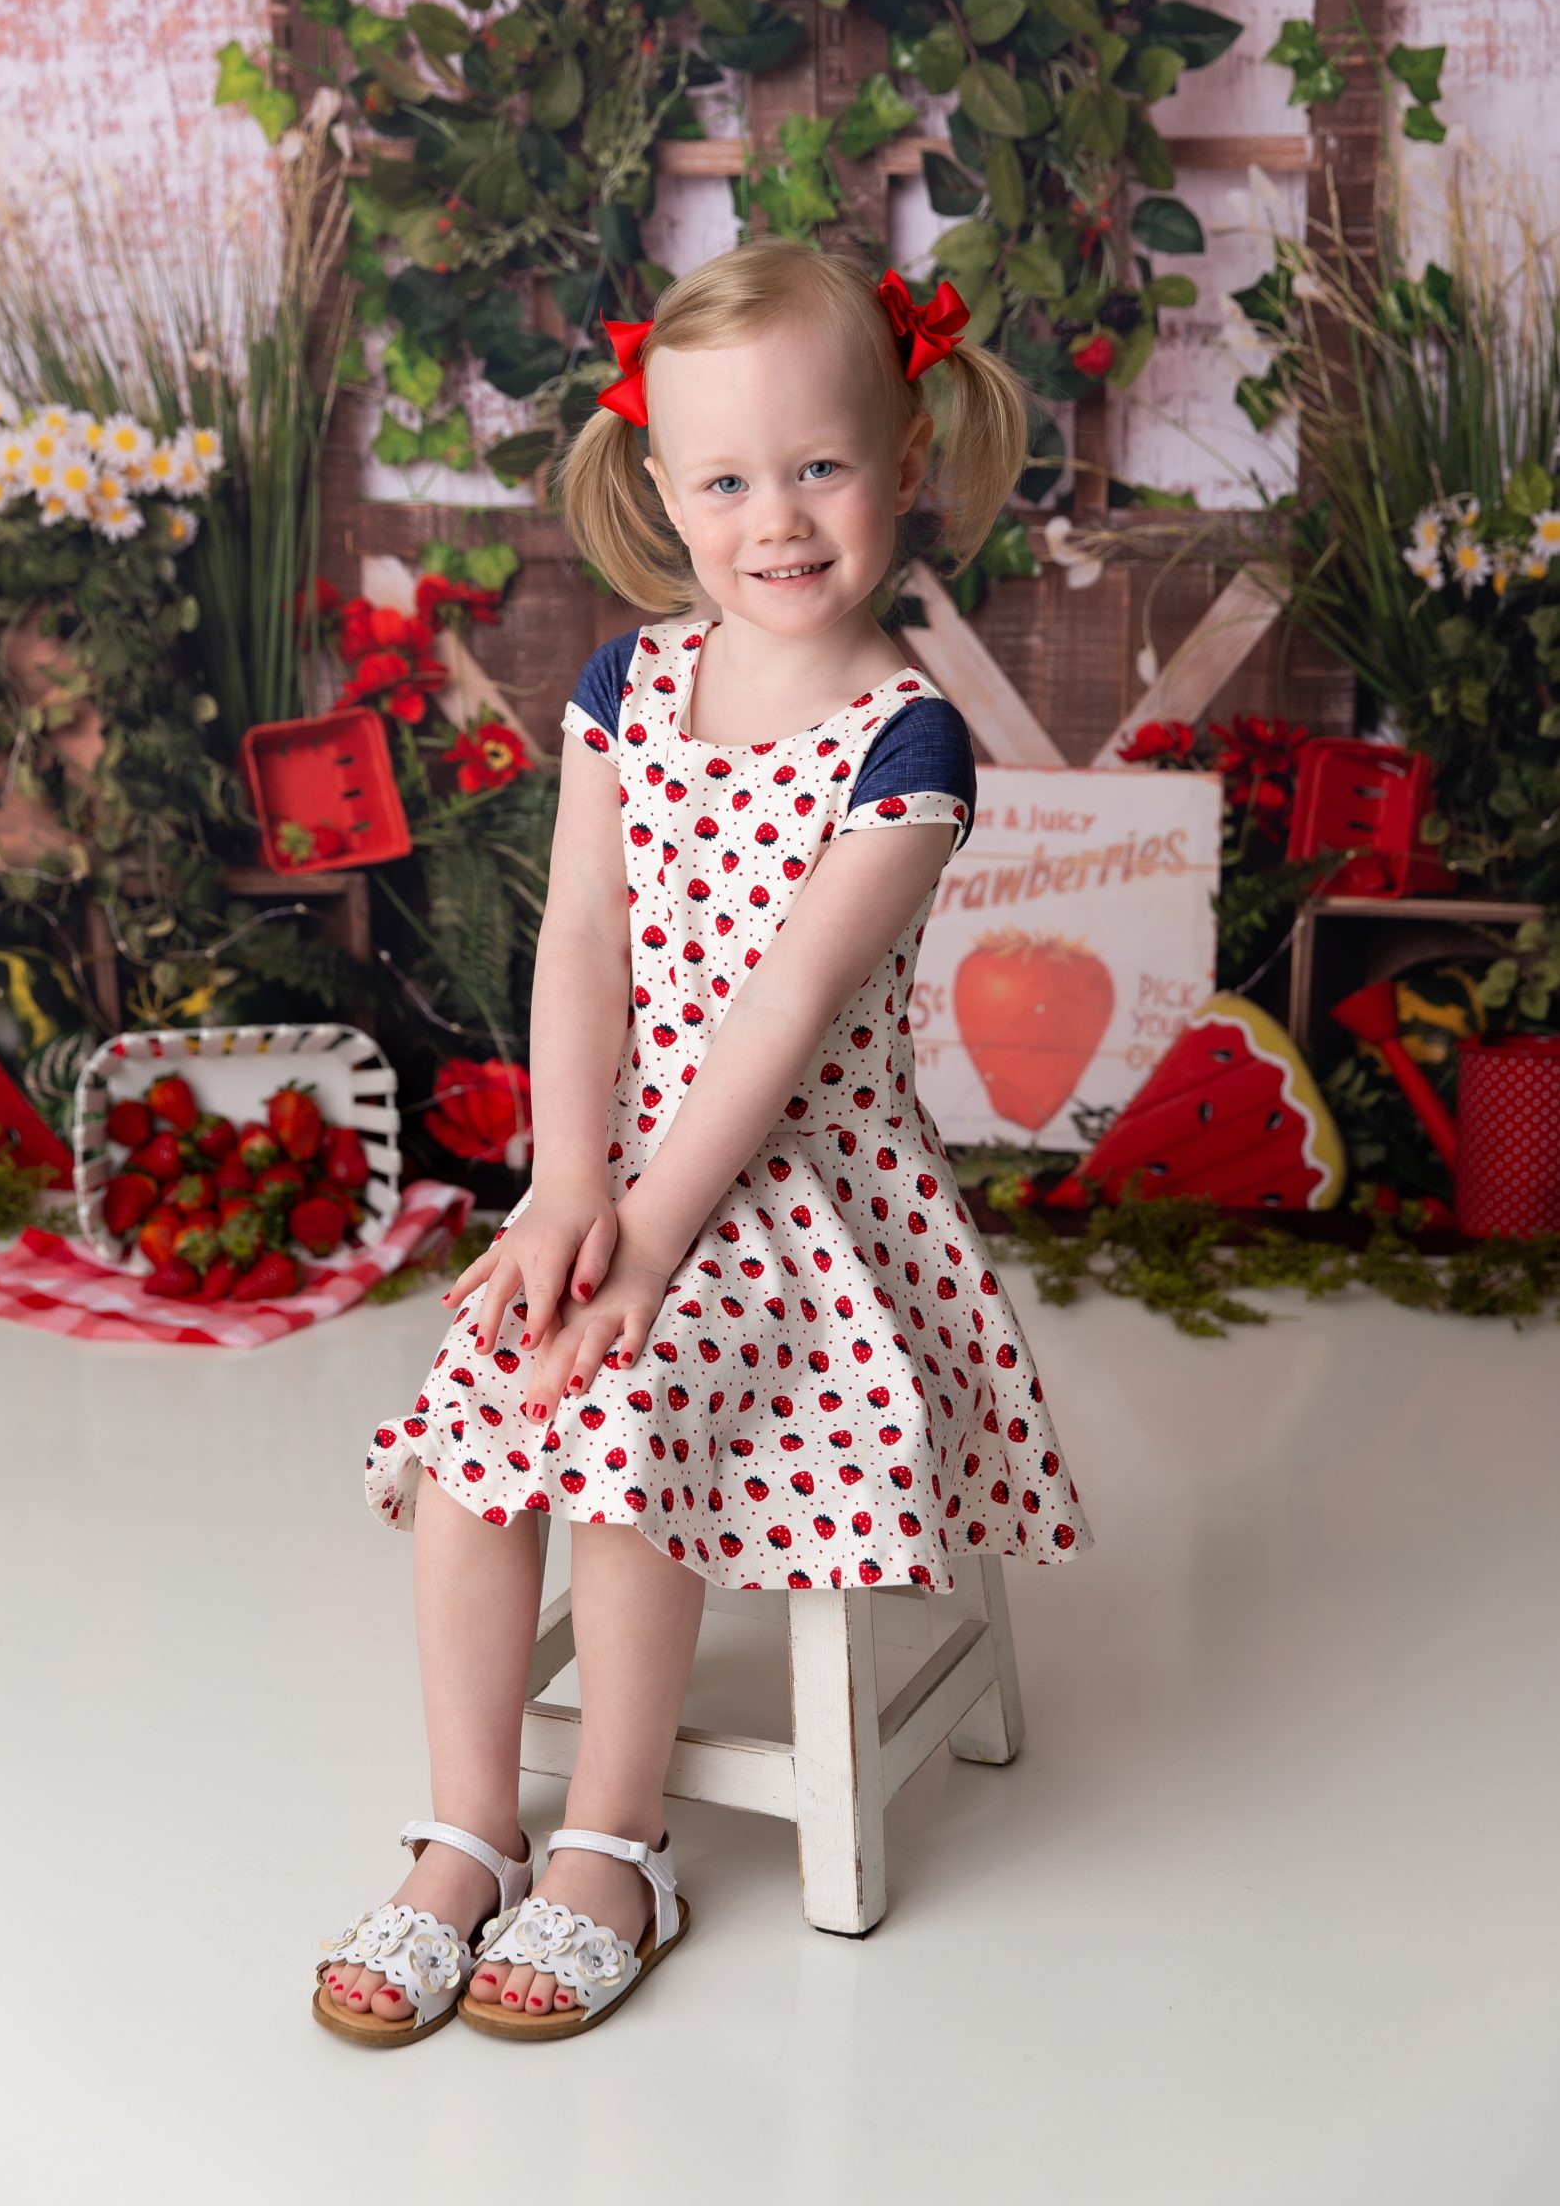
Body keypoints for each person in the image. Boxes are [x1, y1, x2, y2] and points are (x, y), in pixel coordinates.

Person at [314, 237, 1094, 2047]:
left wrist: (651, 1237)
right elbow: (582, 940)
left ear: (903, 460)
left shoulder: (907, 744)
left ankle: (614, 1843)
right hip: (619, 1160)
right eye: (729, 479)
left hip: (801, 1193)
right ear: (662, 493)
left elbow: (780, 1024)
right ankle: (466, 1829)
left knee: (628, 1407)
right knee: (477, 1409)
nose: (781, 520)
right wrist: (568, 1185)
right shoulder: (624, 691)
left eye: (821, 466)